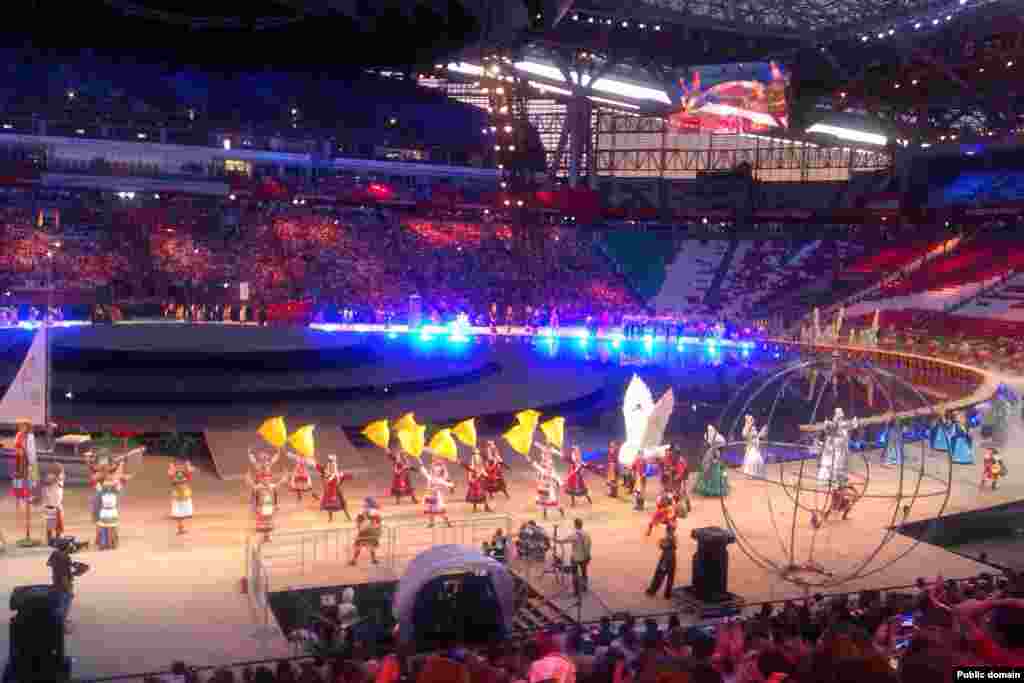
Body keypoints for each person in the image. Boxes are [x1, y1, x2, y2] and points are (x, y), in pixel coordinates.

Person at [48, 537, 86, 633]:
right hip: (63, 584)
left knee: (60, 604)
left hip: (56, 581)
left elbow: (49, 563)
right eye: (69, 547)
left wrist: (72, 565)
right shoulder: (64, 558)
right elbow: (64, 576)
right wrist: (69, 589)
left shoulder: (55, 554)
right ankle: (61, 626)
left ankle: (60, 622)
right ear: (66, 548)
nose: (71, 548)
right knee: (64, 605)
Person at [555, 518, 592, 597]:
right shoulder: (587, 534)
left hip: (575, 558)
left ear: (575, 525)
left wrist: (555, 540)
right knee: (584, 572)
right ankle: (584, 587)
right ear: (581, 525)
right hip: (584, 557)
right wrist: (587, 554)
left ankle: (576, 591)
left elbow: (563, 541)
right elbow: (589, 545)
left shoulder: (574, 535)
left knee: (575, 574)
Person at [695, 425, 728, 497]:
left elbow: (719, 453)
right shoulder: (711, 449)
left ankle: (713, 489)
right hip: (711, 457)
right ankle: (708, 488)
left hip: (714, 460)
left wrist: (715, 459)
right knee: (707, 470)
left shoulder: (717, 447)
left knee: (714, 473)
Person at [316, 455, 352, 522]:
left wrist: (345, 477)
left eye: (332, 462)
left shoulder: (335, 473)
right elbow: (321, 469)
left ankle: (348, 518)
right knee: (329, 505)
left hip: (336, 490)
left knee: (343, 504)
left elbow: (342, 477)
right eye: (330, 461)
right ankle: (331, 519)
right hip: (331, 490)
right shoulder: (328, 472)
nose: (331, 464)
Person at [11, 418, 38, 508]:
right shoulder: (18, 434)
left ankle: (30, 496)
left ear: (27, 427)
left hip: (28, 458)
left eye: (23, 426)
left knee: (31, 478)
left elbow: (31, 449)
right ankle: (19, 497)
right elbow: (16, 446)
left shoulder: (30, 436)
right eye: (20, 426)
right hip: (19, 458)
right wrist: (19, 450)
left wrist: (31, 461)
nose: (21, 427)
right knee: (18, 477)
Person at [646, 525, 677, 600]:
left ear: (667, 531)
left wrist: (661, 542)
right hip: (672, 558)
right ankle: (667, 594)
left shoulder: (668, 538)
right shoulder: (674, 538)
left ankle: (652, 591)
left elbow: (663, 546)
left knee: (659, 575)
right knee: (670, 577)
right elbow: (671, 546)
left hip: (666, 557)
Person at [532, 450, 566, 520]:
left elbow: (559, 480)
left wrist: (560, 484)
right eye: (547, 467)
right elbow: (536, 466)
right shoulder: (543, 471)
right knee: (544, 503)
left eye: (549, 467)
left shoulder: (553, 474)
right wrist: (530, 459)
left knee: (554, 503)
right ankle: (545, 515)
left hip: (550, 491)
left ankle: (561, 511)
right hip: (543, 489)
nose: (548, 468)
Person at [349, 498, 382, 566]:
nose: (364, 503)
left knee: (359, 546)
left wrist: (359, 527)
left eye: (365, 502)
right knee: (371, 545)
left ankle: (354, 560)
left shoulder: (362, 511)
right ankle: (373, 559)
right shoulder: (375, 512)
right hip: (372, 531)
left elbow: (358, 521)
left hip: (364, 531)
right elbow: (378, 522)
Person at [40, 464, 65, 546]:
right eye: (61, 471)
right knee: (50, 528)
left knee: (59, 528)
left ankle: (57, 541)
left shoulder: (60, 478)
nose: (62, 474)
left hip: (58, 506)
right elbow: (46, 482)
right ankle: (50, 542)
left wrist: (58, 476)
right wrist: (54, 477)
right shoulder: (49, 478)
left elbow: (61, 478)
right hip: (50, 507)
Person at [423, 461, 454, 528]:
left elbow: (448, 484)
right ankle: (431, 523)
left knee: (440, 510)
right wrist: (421, 466)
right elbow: (424, 472)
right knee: (430, 510)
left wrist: (451, 486)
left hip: (436, 496)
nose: (433, 472)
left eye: (434, 471)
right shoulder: (430, 477)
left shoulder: (439, 479)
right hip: (430, 495)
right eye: (433, 470)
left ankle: (447, 522)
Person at [167, 458, 194, 535]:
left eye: (180, 464)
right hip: (178, 496)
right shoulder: (173, 473)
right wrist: (172, 467)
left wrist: (188, 465)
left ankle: (181, 528)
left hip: (184, 495)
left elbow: (189, 473)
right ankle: (180, 528)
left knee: (182, 514)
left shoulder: (185, 472)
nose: (179, 466)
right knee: (178, 514)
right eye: (177, 464)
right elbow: (171, 476)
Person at [464, 449, 493, 513]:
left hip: (480, 479)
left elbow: (482, 469)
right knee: (474, 495)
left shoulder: (480, 461)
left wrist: (486, 475)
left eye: (478, 454)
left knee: (483, 494)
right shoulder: (472, 462)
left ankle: (486, 507)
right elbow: (470, 470)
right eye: (476, 454)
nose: (477, 456)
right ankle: (475, 508)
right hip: (475, 480)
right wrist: (470, 479)